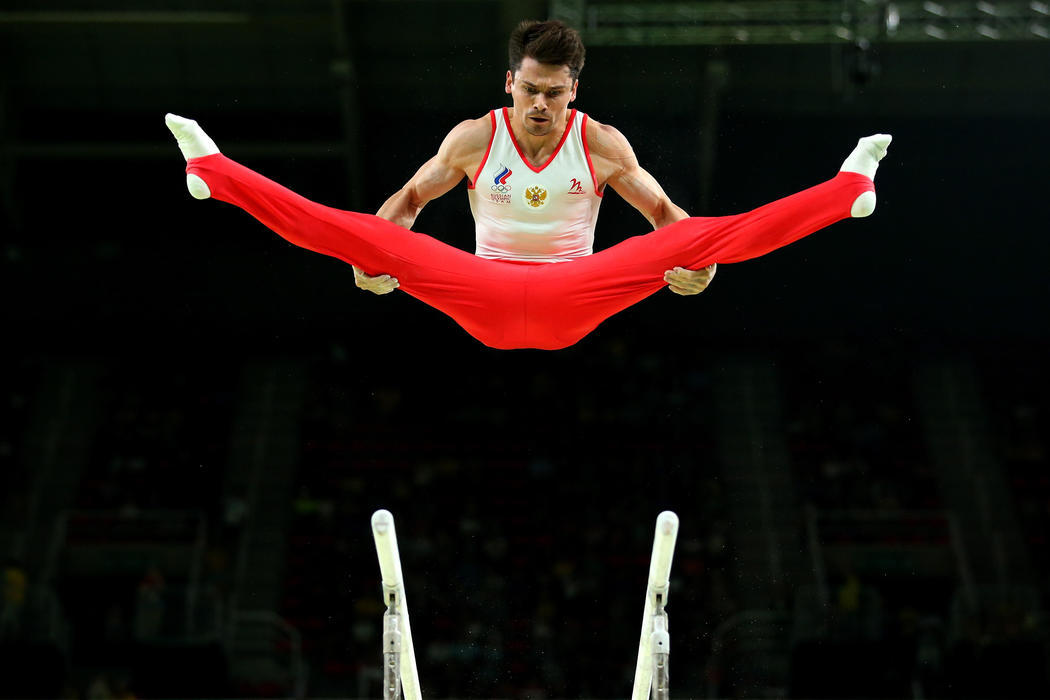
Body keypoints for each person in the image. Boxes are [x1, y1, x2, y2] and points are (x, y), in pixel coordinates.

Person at [166, 20, 889, 351]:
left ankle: (844, 190)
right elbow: (410, 202)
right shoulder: (475, 137)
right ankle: (215, 173)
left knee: (701, 235)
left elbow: (665, 214)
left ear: (574, 91)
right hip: (479, 289)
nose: (540, 105)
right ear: (510, 82)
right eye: (530, 90)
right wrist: (376, 257)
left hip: (578, 292)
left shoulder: (601, 144)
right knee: (364, 233)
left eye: (555, 93)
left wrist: (691, 266)